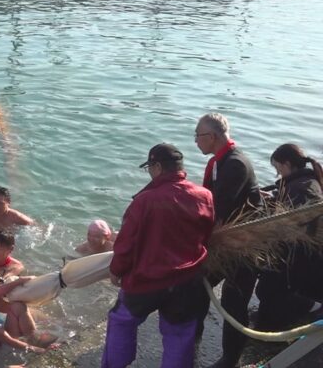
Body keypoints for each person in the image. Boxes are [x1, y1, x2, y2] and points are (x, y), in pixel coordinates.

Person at [102, 144, 214, 368]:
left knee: (121, 321)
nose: (150, 173)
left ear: (158, 166)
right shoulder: (204, 195)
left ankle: (115, 364)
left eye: (149, 168)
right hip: (187, 279)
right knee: (180, 333)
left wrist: (116, 271)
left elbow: (126, 244)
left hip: (147, 280)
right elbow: (207, 235)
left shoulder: (144, 201)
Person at [194, 113, 260, 368]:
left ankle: (231, 359)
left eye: (197, 136)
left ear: (211, 137)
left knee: (234, 303)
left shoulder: (235, 165)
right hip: (228, 243)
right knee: (198, 287)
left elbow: (217, 212)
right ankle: (193, 337)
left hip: (243, 248)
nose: (196, 142)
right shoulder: (221, 161)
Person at [254, 144, 323, 330]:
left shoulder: (304, 189)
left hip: (300, 254)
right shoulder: (304, 182)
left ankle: (314, 307)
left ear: (287, 164)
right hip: (296, 250)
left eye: (278, 169)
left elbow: (293, 222)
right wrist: (273, 198)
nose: (277, 174)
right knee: (266, 292)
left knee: (266, 289)